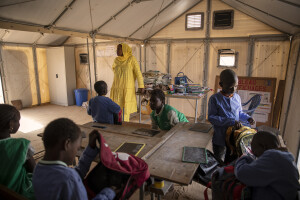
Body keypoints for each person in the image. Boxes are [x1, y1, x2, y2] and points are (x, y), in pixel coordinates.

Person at [33, 118, 116, 200]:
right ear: (67, 144)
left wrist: (90, 149)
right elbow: (72, 177)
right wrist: (108, 193)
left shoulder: (39, 168)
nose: (76, 152)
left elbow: (76, 173)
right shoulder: (69, 178)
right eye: (77, 148)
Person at [235, 131, 300, 200]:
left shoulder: (273, 157)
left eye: (253, 147)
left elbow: (242, 173)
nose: (253, 153)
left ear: (263, 147)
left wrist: (243, 158)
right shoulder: (285, 157)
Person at [208, 69, 255, 162]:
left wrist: (248, 118)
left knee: (231, 159)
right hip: (220, 137)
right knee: (218, 159)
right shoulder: (214, 99)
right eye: (230, 87)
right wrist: (231, 121)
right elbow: (212, 117)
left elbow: (239, 113)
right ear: (221, 85)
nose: (233, 89)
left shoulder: (237, 97)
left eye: (236, 86)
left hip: (234, 137)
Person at [0, 104, 35, 200]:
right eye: (17, 121)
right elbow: (34, 170)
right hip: (20, 192)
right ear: (10, 124)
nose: (19, 124)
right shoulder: (21, 144)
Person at [110, 43, 144, 122]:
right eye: (117, 49)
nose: (117, 51)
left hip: (127, 88)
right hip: (117, 87)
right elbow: (114, 69)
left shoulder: (131, 58)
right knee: (116, 107)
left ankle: (124, 125)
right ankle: (116, 124)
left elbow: (138, 72)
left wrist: (141, 85)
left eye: (119, 49)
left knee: (125, 109)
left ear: (124, 49)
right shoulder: (116, 60)